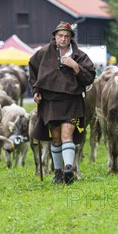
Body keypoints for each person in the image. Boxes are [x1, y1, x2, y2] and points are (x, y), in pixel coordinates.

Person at [28, 21, 95, 185]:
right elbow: (33, 73)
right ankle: (58, 173)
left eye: (66, 36)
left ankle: (68, 169)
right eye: (60, 36)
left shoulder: (80, 56)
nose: (63, 39)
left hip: (72, 101)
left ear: (71, 38)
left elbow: (90, 77)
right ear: (55, 36)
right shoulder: (43, 53)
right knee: (56, 137)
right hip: (50, 102)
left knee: (67, 134)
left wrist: (76, 67)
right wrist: (36, 91)